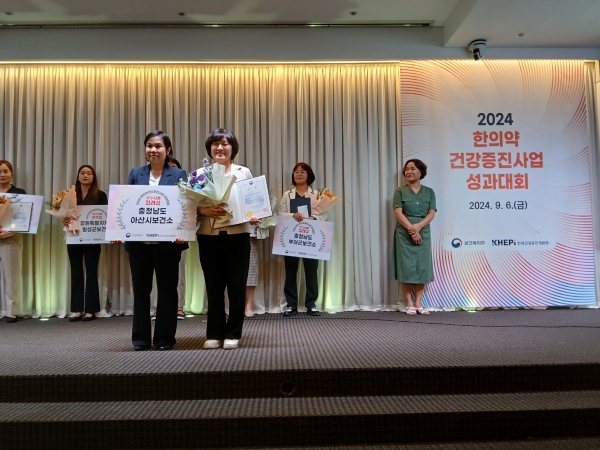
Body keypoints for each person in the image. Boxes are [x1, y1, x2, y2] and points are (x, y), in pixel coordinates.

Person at [196, 128, 260, 350]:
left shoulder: (244, 172)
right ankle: (214, 333)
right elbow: (189, 206)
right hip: (209, 236)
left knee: (236, 286)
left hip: (237, 236)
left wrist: (255, 214)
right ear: (210, 148)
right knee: (213, 286)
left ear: (233, 148)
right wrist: (203, 211)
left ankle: (233, 332)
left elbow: (253, 201)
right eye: (215, 143)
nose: (220, 147)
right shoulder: (200, 174)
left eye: (225, 143)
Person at [125, 131, 188, 351]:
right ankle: (140, 338)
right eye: (149, 145)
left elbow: (184, 206)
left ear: (168, 150)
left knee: (168, 291)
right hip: (139, 246)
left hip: (168, 245)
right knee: (141, 292)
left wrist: (182, 231)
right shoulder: (136, 173)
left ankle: (164, 338)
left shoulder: (178, 174)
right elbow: (127, 205)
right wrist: (120, 230)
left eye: (158, 146)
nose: (153, 150)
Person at [279, 162, 328, 317]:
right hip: (291, 237)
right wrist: (292, 215)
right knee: (291, 271)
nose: (298, 174)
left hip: (311, 237)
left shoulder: (317, 194)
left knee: (311, 270)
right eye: (296, 172)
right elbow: (280, 213)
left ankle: (311, 304)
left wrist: (314, 218)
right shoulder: (287, 194)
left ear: (309, 175)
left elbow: (324, 214)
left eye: (302, 171)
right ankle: (291, 305)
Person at [63, 165, 108, 322]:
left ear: (93, 177)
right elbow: (64, 215)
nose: (85, 175)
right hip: (73, 238)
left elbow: (104, 217)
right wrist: (64, 220)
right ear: (78, 176)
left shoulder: (100, 195)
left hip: (92, 240)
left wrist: (97, 236)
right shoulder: (70, 195)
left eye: (89, 173)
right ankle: (77, 310)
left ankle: (90, 310)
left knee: (91, 273)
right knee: (76, 273)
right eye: (82, 173)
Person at [393, 159, 437, 315]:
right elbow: (398, 212)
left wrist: (418, 227)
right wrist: (412, 230)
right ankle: (409, 302)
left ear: (420, 172)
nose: (408, 172)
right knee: (406, 266)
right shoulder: (399, 191)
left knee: (422, 267)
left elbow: (431, 213)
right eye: (406, 169)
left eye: (412, 169)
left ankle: (418, 302)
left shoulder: (429, 192)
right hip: (404, 232)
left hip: (423, 231)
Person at [0, 160, 26, 323]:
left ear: (12, 174)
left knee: (12, 275)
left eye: (5, 171)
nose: (2, 174)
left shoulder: (19, 193)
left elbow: (24, 217)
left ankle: (12, 311)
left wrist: (10, 230)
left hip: (11, 237)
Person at [168, 157, 187, 320]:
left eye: (174, 168)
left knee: (179, 273)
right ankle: (161, 307)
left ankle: (179, 307)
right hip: (157, 239)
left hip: (179, 237)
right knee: (160, 277)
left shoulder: (185, 192)